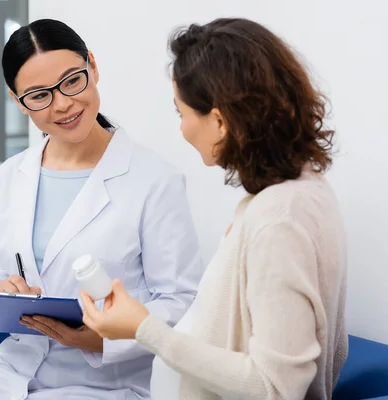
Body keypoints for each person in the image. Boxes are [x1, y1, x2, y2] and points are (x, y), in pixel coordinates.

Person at [81, 17, 348, 400]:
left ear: (220, 121)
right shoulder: (299, 191)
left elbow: (275, 387)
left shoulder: (279, 219)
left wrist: (144, 329)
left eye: (182, 113)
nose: (183, 129)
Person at [0, 19, 203, 400]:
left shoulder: (154, 180)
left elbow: (182, 303)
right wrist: (3, 292)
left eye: (72, 81)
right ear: (17, 101)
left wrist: (99, 340)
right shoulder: (10, 177)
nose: (63, 104)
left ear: (93, 67)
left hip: (108, 382)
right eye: (38, 95)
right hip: (13, 373)